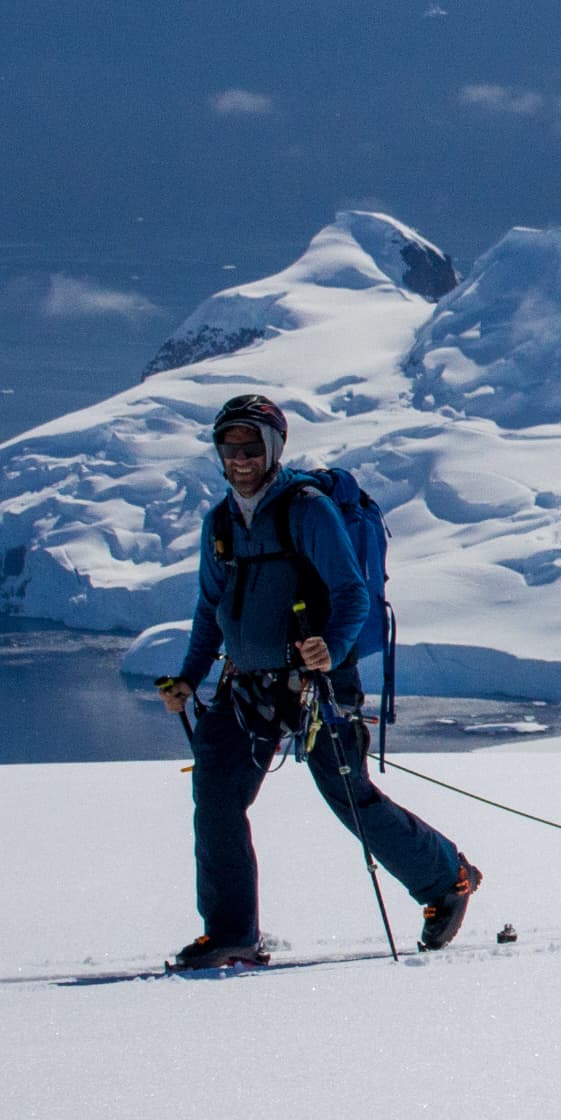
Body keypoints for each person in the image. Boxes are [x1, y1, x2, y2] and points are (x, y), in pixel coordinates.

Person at [154, 392, 480, 968]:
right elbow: (211, 610)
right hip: (246, 685)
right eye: (229, 447)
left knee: (349, 797)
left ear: (274, 448)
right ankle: (232, 933)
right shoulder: (221, 522)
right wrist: (187, 677)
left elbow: (352, 592)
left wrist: (328, 649)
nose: (240, 458)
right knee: (216, 795)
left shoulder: (306, 509)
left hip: (317, 687)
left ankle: (446, 879)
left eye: (251, 446)